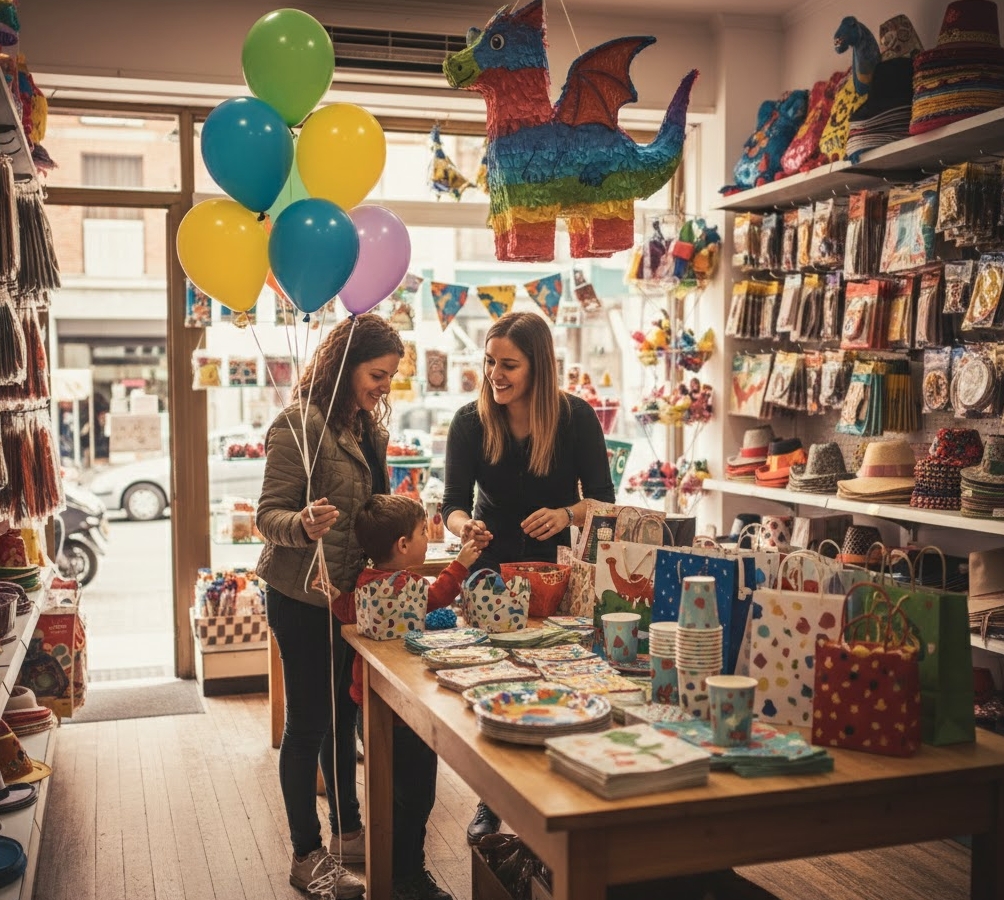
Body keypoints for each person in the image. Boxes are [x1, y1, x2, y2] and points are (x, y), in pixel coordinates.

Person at [441, 311, 615, 844]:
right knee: (498, 685)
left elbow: (603, 502)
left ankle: (563, 791)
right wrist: (465, 526)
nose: (495, 374)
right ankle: (491, 802)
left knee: (561, 680)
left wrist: (565, 515)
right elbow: (451, 505)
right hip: (490, 575)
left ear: (538, 366)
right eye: (489, 361)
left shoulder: (576, 418)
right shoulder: (469, 422)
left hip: (558, 575)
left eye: (509, 364)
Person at [256, 314, 404, 900]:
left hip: (346, 598)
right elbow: (268, 516)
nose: (384, 387)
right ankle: (306, 855)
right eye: (377, 374)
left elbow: (370, 509)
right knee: (309, 723)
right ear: (345, 368)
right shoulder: (299, 423)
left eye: (390, 376)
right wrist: (302, 523)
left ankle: (347, 832)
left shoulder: (368, 428)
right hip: (300, 598)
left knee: (343, 721)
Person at [332, 494, 480, 900]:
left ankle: (395, 874)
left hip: (369, 706)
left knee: (392, 799)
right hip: (405, 711)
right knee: (416, 801)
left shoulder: (364, 581)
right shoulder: (408, 586)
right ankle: (407, 878)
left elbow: (347, 611)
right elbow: (439, 596)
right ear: (402, 545)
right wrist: (461, 563)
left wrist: (330, 593)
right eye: (422, 533)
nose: (427, 539)